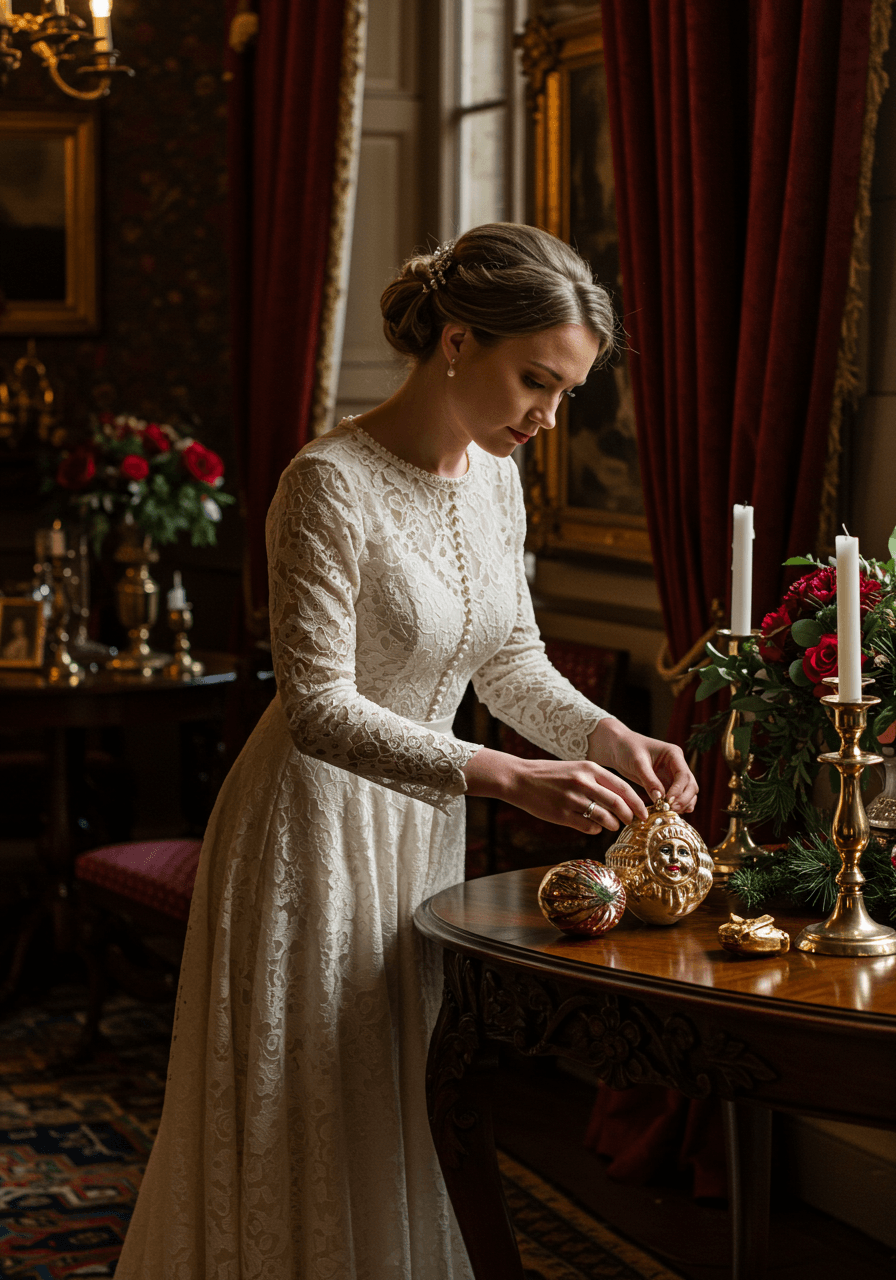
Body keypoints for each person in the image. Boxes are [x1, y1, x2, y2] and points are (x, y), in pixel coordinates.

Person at [116, 222, 697, 1280]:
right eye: (535, 380)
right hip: (310, 822)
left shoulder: (493, 479)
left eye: (565, 392)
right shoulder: (326, 483)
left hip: (418, 821)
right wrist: (506, 772)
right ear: (457, 339)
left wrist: (611, 732)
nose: (546, 417)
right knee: (297, 1099)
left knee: (388, 1095)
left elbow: (509, 662)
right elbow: (316, 708)